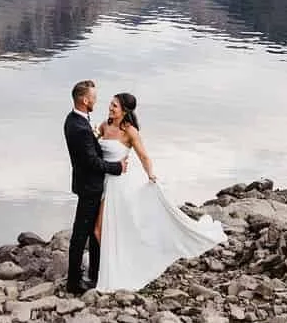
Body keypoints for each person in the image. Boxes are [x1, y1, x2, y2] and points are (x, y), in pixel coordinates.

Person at [93, 90, 226, 292]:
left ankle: (119, 269)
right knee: (103, 230)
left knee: (102, 229)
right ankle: (109, 267)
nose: (110, 108)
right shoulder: (104, 125)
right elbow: (95, 150)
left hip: (118, 186)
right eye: (110, 104)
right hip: (102, 181)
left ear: (125, 111)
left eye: (114, 106)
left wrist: (150, 175)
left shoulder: (130, 131)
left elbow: (144, 156)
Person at [63, 79, 125, 294]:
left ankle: (93, 274)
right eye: (94, 98)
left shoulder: (76, 120)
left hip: (88, 184)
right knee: (82, 233)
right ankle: (74, 282)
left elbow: (89, 153)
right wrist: (117, 167)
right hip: (90, 186)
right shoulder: (79, 127)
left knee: (93, 231)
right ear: (84, 100)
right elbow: (92, 162)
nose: (97, 102)